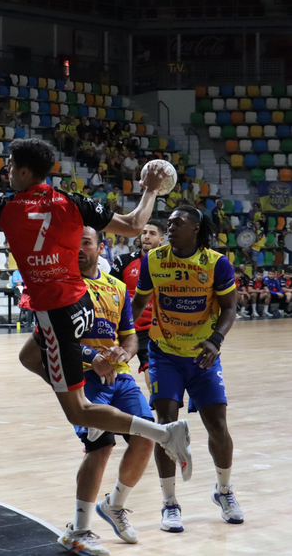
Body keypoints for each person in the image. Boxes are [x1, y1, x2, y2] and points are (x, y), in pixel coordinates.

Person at [0, 138, 193, 487]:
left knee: (77, 409)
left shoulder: (6, 206)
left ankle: (165, 434)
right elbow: (135, 223)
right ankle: (78, 388)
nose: (4, 170)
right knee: (30, 356)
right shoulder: (72, 201)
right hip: (80, 303)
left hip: (55, 311)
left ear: (22, 170)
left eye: (8, 164)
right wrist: (151, 190)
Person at [20, 227, 154, 555]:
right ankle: (79, 529)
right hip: (84, 378)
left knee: (146, 435)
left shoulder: (118, 288)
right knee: (100, 445)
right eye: (72, 243)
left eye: (86, 242)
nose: (79, 248)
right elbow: (51, 342)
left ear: (99, 247)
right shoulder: (60, 289)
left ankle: (115, 505)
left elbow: (130, 334)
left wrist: (127, 351)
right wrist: (91, 358)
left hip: (119, 376)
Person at [130, 205, 243, 532]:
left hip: (203, 355)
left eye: (178, 223)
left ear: (195, 229)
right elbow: (139, 304)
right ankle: (169, 502)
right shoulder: (153, 260)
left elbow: (229, 307)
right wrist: (121, 333)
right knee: (166, 427)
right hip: (164, 353)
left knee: (218, 425)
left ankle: (224, 491)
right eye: (170, 223)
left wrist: (215, 340)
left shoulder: (216, 264)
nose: (171, 227)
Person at [110, 219, 166, 391]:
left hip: (153, 328)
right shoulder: (124, 261)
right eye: (144, 233)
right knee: (110, 363)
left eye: (152, 233)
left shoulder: (168, 265)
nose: (146, 237)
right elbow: (110, 291)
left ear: (161, 239)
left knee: (152, 367)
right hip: (125, 325)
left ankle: (157, 408)